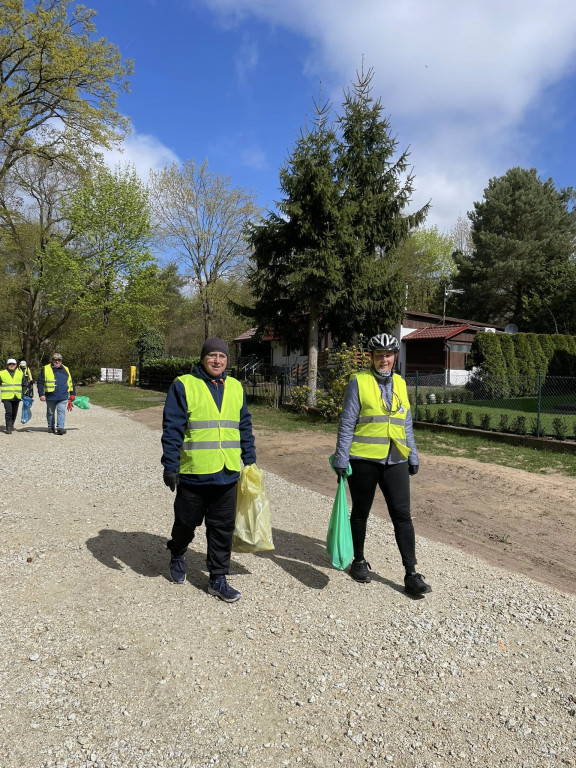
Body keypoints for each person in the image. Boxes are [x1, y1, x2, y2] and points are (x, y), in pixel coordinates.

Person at [332, 332, 432, 596]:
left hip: (396, 458)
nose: (383, 359)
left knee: (402, 515)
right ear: (372, 357)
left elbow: (405, 422)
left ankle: (411, 573)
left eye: (388, 355)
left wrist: (413, 454)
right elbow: (347, 422)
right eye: (379, 355)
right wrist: (342, 457)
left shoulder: (400, 383)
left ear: (395, 357)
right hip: (364, 458)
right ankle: (359, 561)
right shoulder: (359, 381)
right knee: (361, 513)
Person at [161, 337, 256, 602]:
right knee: (185, 523)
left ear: (227, 360)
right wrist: (170, 464)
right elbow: (172, 428)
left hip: (227, 471)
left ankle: (217, 577)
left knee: (222, 527)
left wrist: (250, 459)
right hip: (195, 472)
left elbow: (244, 426)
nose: (217, 360)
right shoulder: (184, 385)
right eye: (212, 355)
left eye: (222, 357)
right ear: (203, 358)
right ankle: (177, 552)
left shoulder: (236, 386)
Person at [37, 353, 76, 435]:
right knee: (50, 412)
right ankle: (50, 427)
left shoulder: (66, 369)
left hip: (63, 395)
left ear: (61, 361)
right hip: (51, 395)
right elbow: (40, 382)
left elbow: (70, 382)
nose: (57, 361)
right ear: (52, 360)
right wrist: (41, 394)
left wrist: (73, 393)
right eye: (55, 360)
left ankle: (60, 428)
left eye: (59, 360)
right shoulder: (46, 368)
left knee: (61, 411)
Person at [0, 358, 23, 434]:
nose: (12, 365)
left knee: (14, 412)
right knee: (8, 412)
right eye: (10, 364)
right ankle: (8, 427)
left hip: (17, 396)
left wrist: (26, 393)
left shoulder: (20, 373)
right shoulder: (2, 373)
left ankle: (12, 424)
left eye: (13, 364)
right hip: (6, 396)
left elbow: (25, 384)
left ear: (16, 365)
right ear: (7, 365)